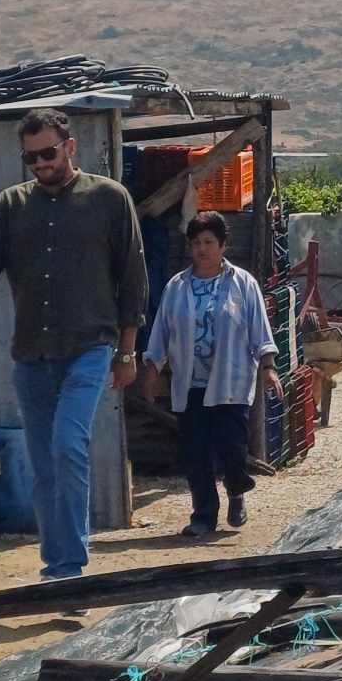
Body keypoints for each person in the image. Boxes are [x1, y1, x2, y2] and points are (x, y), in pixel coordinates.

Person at [0, 108, 146, 579]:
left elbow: (132, 278)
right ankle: (58, 566)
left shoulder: (109, 199)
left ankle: (70, 567)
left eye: (48, 153)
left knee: (69, 446)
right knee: (44, 465)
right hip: (32, 356)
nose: (41, 164)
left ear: (70, 147)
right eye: (31, 158)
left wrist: (128, 351)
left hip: (90, 348)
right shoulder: (11, 206)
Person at [142, 211, 280, 537]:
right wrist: (151, 369)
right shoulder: (177, 286)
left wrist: (269, 367)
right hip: (190, 383)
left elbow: (260, 329)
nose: (202, 249)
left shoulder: (242, 283)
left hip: (230, 380)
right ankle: (203, 514)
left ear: (223, 245)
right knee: (195, 453)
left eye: (209, 242)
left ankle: (236, 488)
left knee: (232, 446)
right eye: (196, 243)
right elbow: (161, 331)